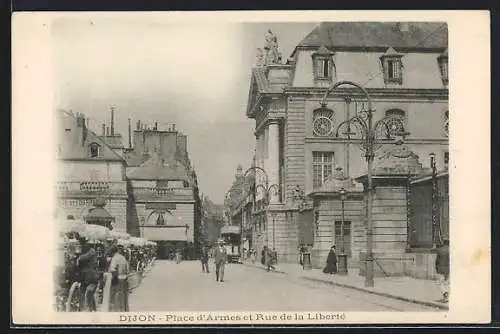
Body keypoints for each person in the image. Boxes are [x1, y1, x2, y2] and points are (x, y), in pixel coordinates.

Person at [77, 238, 99, 311]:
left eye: (85, 244)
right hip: (85, 277)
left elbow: (82, 258)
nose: (84, 246)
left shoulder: (91, 251)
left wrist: (78, 257)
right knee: (84, 294)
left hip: (91, 277)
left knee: (89, 294)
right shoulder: (87, 251)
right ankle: (91, 309)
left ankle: (90, 310)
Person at [109, 243, 130, 312]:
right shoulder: (123, 258)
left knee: (116, 297)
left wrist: (113, 276)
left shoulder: (115, 258)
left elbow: (112, 269)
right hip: (124, 279)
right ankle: (124, 310)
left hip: (117, 279)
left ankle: (118, 312)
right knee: (124, 297)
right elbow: (128, 270)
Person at [435, 237, 450, 303]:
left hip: (441, 269)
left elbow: (437, 261)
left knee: (439, 283)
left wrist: (437, 268)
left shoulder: (440, 250)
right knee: (446, 283)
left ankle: (445, 294)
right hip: (448, 269)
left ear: (443, 242)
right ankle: (446, 297)